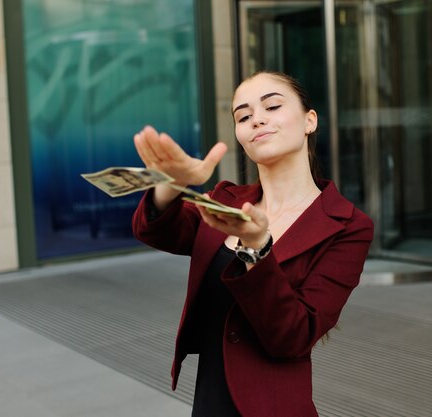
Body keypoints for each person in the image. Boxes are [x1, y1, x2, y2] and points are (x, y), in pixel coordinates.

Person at [132, 70, 373, 417]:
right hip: (210, 403)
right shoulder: (224, 199)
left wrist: (257, 248)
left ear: (310, 121)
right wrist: (172, 183)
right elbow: (156, 230)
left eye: (272, 106)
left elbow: (293, 336)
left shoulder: (347, 226)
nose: (257, 120)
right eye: (243, 116)